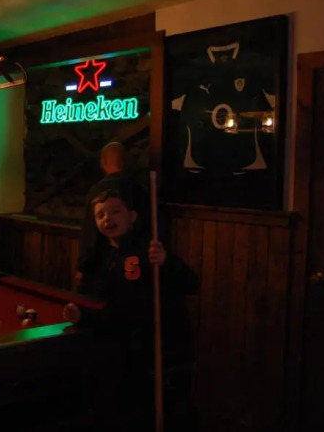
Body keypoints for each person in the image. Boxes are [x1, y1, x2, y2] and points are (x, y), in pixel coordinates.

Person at [64, 188, 198, 431]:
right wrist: (82, 314)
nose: (107, 218)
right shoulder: (101, 257)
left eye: (115, 211)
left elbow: (191, 284)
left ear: (132, 216)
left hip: (159, 347)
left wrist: (167, 262)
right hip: (123, 347)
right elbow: (101, 302)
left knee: (161, 411)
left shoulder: (150, 250)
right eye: (100, 215)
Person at [76, 142, 149, 293]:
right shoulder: (140, 189)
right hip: (141, 265)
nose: (108, 218)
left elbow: (89, 233)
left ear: (103, 162)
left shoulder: (96, 191)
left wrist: (83, 266)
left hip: (104, 267)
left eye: (115, 211)